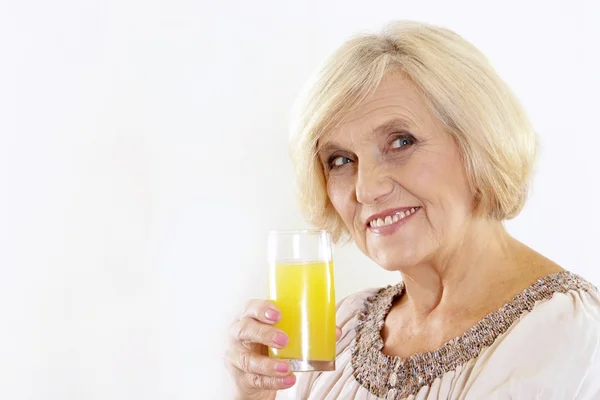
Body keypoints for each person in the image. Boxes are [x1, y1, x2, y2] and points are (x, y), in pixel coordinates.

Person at [224, 20, 600, 399]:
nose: (366, 189)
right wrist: (258, 396)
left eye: (401, 141)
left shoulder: (569, 332)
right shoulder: (341, 328)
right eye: (339, 160)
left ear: (479, 144)